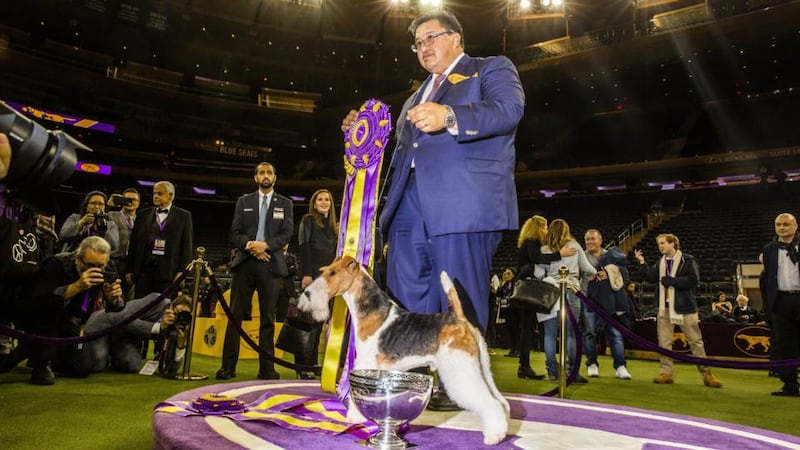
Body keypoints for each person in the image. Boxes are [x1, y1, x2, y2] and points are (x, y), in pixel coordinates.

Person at [340, 9, 524, 410]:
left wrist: (452, 115)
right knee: (407, 300)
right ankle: (413, 383)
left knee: (459, 297)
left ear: (456, 37)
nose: (423, 47)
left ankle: (464, 386)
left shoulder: (489, 69)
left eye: (431, 37)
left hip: (463, 206)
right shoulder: (414, 95)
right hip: (408, 210)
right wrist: (361, 136)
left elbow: (509, 110)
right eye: (418, 42)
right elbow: (403, 153)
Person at [216, 162, 294, 381]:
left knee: (267, 319)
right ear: (256, 178)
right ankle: (227, 367)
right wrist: (252, 245)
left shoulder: (285, 204)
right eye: (261, 172)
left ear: (275, 177)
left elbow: (287, 233)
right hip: (245, 264)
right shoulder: (244, 201)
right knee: (235, 316)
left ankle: (267, 369)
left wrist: (265, 245)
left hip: (271, 264)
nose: (265, 175)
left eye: (269, 172)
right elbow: (235, 232)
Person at [28, 236, 127, 384]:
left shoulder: (108, 268)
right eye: (89, 265)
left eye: (100, 266)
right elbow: (39, 302)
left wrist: (114, 299)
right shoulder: (57, 264)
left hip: (74, 321)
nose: (95, 270)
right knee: (41, 375)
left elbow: (119, 306)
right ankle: (37, 357)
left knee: (83, 368)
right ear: (77, 259)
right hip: (46, 319)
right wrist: (76, 287)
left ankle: (51, 357)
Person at [635, 233, 722, 388]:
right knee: (664, 342)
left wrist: (673, 282)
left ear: (673, 244)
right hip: (664, 307)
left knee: (695, 341)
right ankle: (666, 373)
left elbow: (693, 280)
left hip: (685, 307)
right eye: (659, 243)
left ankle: (707, 373)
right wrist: (642, 263)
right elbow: (650, 277)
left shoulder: (687, 260)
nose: (660, 246)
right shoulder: (660, 262)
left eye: (663, 243)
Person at [514, 215, 575, 381]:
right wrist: (559, 254)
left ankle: (524, 366)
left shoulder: (530, 243)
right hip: (528, 291)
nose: (546, 230)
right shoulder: (532, 243)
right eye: (545, 227)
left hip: (528, 290)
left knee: (527, 329)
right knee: (527, 329)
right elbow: (538, 259)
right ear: (538, 228)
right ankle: (524, 366)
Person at [538, 219, 596, 383]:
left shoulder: (544, 248)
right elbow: (586, 267)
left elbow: (538, 273)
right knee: (571, 334)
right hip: (571, 290)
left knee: (549, 334)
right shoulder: (574, 246)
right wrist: (595, 272)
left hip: (550, 292)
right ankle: (572, 372)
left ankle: (552, 372)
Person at [296, 189, 337, 379]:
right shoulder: (308, 221)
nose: (323, 202)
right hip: (312, 278)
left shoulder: (335, 227)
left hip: (329, 282)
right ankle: (302, 366)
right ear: (314, 203)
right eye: (320, 199)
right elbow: (304, 247)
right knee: (308, 323)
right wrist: (306, 274)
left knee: (319, 325)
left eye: (327, 199)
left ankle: (312, 364)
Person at [126, 181, 193, 298]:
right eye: (154, 193)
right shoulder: (142, 214)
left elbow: (186, 246)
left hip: (168, 273)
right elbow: (133, 244)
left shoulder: (184, 216)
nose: (155, 196)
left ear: (171, 195)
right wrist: (130, 269)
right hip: (143, 272)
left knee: (163, 309)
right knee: (140, 308)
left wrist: (182, 272)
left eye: (160, 193)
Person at [582, 229, 633, 380]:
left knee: (615, 334)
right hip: (589, 301)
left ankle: (620, 366)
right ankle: (592, 364)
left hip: (610, 302)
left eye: (593, 239)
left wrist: (609, 273)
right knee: (590, 333)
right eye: (587, 240)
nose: (590, 242)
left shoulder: (612, 255)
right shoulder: (581, 257)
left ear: (600, 240)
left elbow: (625, 273)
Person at [759, 213, 800, 396]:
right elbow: (767, 279)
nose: (782, 228)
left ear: (795, 226)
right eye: (778, 224)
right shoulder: (769, 250)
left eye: (786, 224)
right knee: (784, 344)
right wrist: (768, 309)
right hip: (781, 302)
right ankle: (789, 385)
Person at [107, 188, 141, 291]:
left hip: (131, 265)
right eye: (127, 199)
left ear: (138, 203)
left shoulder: (141, 220)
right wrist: (108, 206)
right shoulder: (110, 215)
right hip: (113, 262)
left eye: (133, 200)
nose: (130, 202)